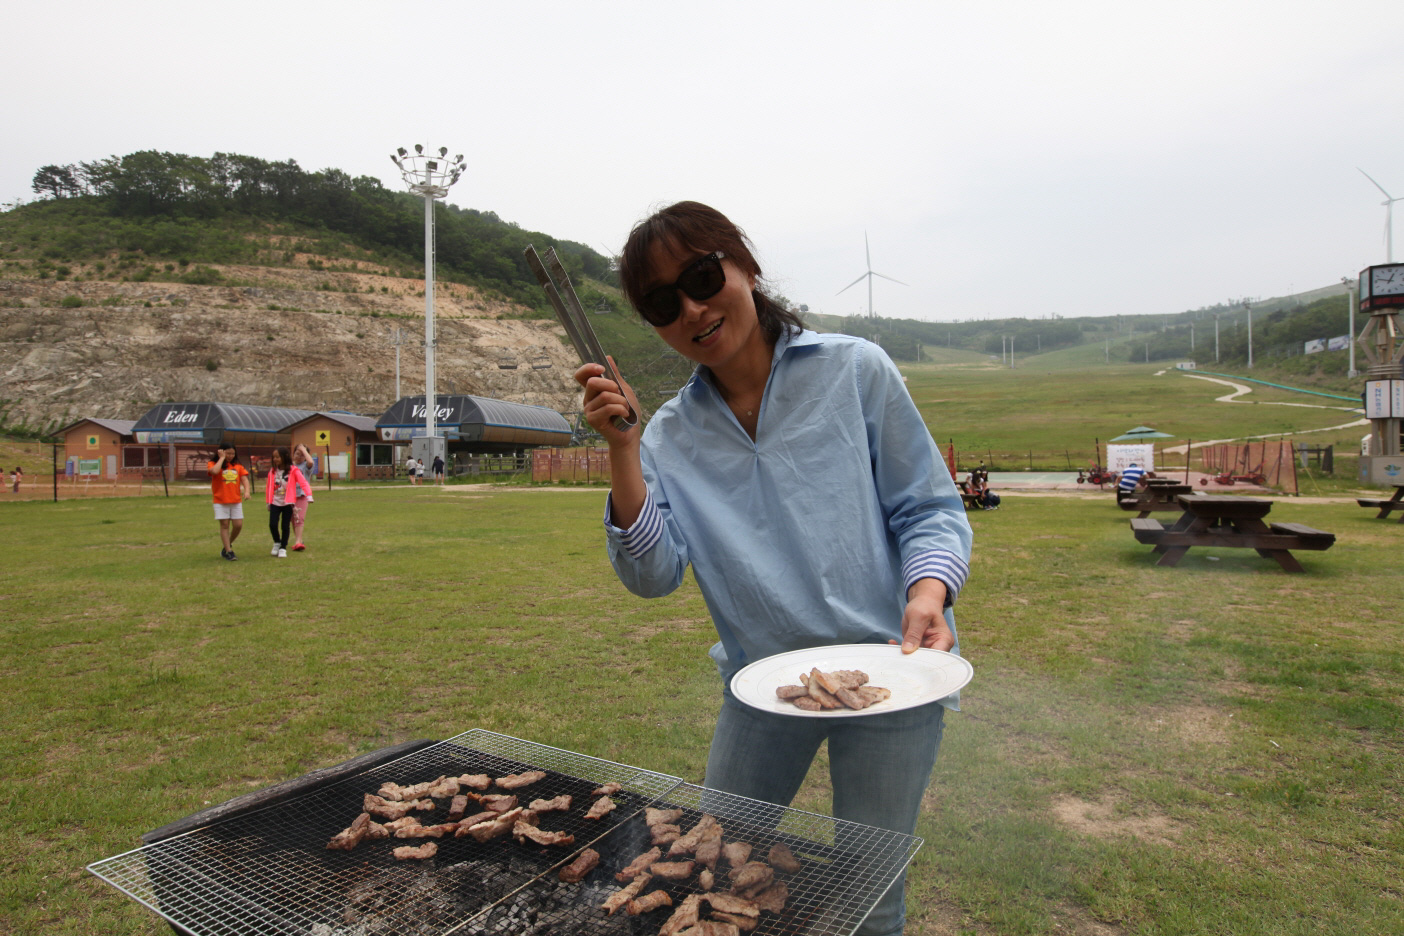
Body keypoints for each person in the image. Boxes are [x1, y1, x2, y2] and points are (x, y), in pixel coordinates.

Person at [575, 201, 972, 936]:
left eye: (702, 278)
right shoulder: (668, 437)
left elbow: (928, 508)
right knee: (716, 866)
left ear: (746, 267)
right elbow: (652, 575)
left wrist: (928, 591)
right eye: (663, 304)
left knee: (869, 892)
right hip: (762, 681)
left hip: (892, 667)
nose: (692, 310)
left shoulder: (855, 371)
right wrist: (624, 451)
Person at [266, 447, 312, 558]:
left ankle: (283, 548)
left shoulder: (293, 470)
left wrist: (309, 495)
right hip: (275, 502)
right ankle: (277, 542)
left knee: (285, 525)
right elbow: (269, 487)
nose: (275, 459)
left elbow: (303, 482)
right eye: (274, 457)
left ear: (285, 457)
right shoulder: (272, 471)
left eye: (278, 457)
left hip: (288, 503)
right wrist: (268, 501)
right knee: (272, 524)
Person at [208, 445, 251, 560]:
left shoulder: (238, 466)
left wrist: (247, 491)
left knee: (238, 525)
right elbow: (214, 471)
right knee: (225, 525)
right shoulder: (213, 464)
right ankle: (228, 551)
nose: (230, 456)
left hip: (235, 500)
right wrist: (221, 458)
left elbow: (244, 479)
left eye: (232, 453)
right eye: (228, 453)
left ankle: (227, 544)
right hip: (220, 501)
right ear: (221, 452)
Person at [290, 443, 317, 551]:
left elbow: (310, 462)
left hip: (302, 495)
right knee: (293, 519)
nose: (299, 457)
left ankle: (298, 542)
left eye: (302, 455)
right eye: (297, 453)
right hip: (290, 496)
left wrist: (303, 449)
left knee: (299, 518)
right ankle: (299, 539)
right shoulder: (289, 466)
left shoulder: (305, 466)